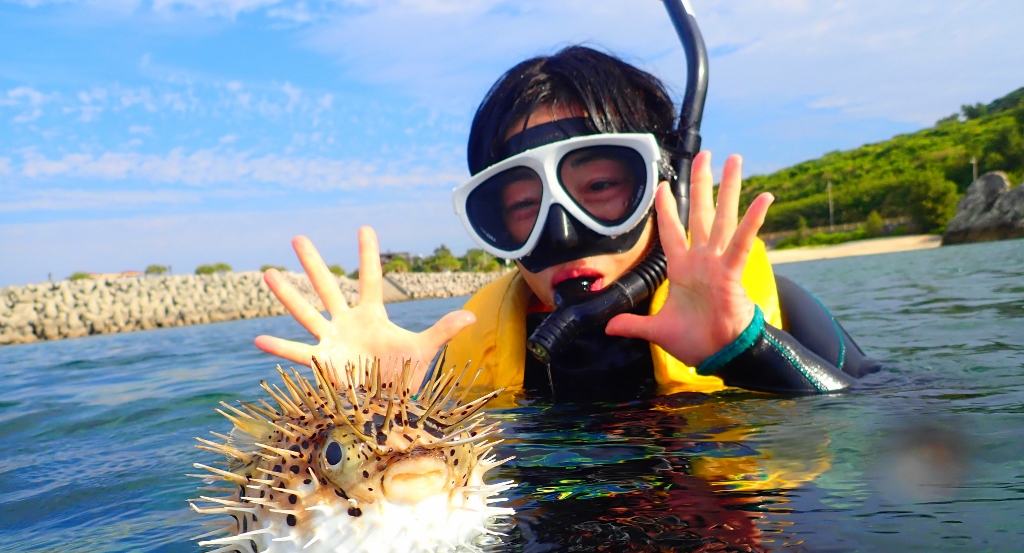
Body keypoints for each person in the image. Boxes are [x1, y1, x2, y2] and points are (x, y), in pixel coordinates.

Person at [255, 47, 878, 401]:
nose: (561, 232)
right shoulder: (468, 359)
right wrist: (380, 410)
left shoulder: (770, 311)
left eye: (601, 187)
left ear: (666, 185)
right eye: (524, 207)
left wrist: (749, 351)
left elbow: (896, 423)